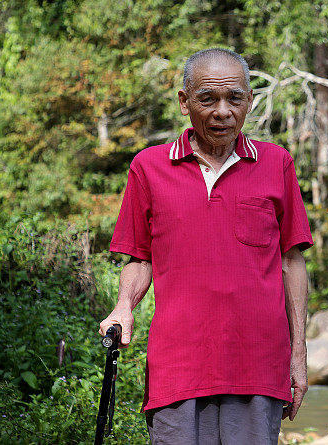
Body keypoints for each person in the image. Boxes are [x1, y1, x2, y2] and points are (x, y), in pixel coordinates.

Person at [99, 48, 312, 444]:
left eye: (234, 98)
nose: (222, 111)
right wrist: (124, 306)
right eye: (207, 99)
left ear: (249, 101)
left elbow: (291, 261)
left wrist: (297, 353)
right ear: (184, 102)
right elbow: (139, 258)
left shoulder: (276, 163)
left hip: (259, 365)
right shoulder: (148, 167)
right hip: (178, 367)